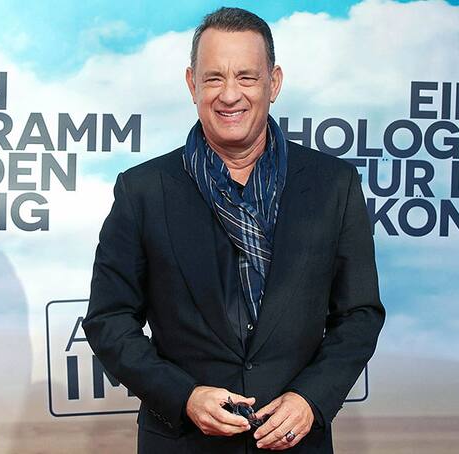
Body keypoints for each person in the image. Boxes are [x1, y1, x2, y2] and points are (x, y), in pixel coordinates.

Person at [83, 6, 385, 453]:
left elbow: (359, 314)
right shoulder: (142, 191)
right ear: (192, 84)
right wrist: (184, 396)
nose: (229, 95)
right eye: (213, 78)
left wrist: (309, 399)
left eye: (246, 77)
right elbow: (108, 320)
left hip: (296, 443)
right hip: (182, 443)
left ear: (273, 83)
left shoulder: (333, 185)